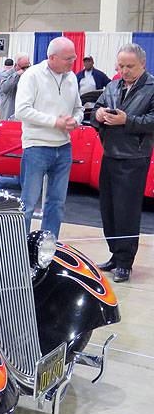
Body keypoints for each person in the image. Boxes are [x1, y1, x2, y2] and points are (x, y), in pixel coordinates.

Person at [92, 43, 154, 282]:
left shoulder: (151, 87)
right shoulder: (111, 85)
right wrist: (97, 115)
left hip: (134, 157)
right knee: (108, 209)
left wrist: (127, 121)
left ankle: (125, 262)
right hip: (110, 155)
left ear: (143, 65)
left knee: (126, 211)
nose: (125, 70)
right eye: (121, 66)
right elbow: (96, 107)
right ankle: (115, 255)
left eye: (130, 66)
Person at [15, 36, 83, 236]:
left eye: (74, 57)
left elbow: (79, 108)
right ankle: (18, 251)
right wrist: (56, 122)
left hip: (64, 148)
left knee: (57, 203)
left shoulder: (71, 77)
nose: (73, 62)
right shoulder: (32, 75)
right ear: (52, 57)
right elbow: (22, 111)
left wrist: (75, 121)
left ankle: (47, 247)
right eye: (68, 58)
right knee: (27, 204)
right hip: (36, 147)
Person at [0, 53, 30, 121]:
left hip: (23, 109)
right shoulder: (6, 74)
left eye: (28, 66)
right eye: (23, 67)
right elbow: (4, 89)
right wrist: (16, 75)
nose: (26, 69)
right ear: (16, 65)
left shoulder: (29, 74)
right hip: (9, 110)